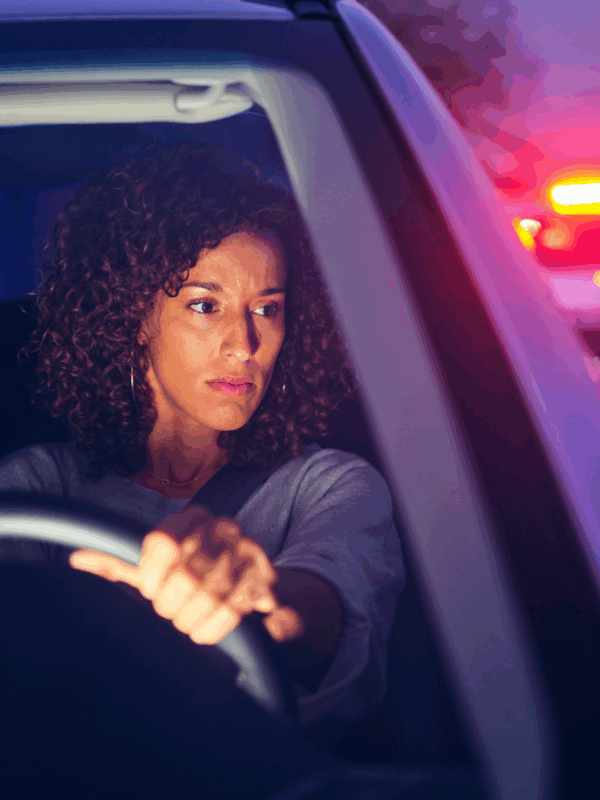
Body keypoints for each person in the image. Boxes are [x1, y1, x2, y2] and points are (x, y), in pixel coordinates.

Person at [0, 141, 405, 748]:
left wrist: (257, 599)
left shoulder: (333, 486)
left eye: (266, 309)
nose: (243, 343)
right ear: (135, 316)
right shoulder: (38, 485)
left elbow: (324, 611)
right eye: (205, 305)